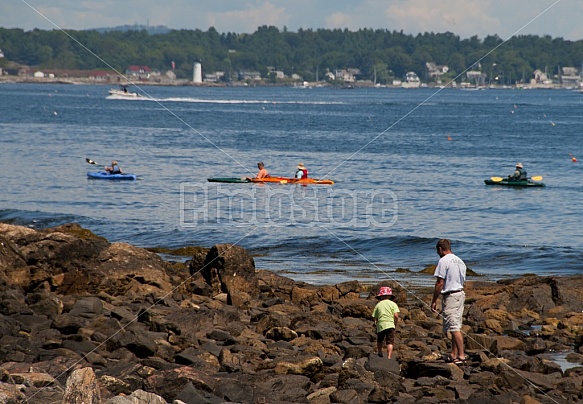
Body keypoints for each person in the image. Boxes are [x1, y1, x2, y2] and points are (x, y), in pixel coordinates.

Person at [431, 238, 467, 365]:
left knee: (454, 327)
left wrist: (434, 300)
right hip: (460, 294)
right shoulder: (460, 261)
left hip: (451, 295)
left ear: (440, 249)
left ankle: (461, 356)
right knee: (455, 324)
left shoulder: (443, 261)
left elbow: (440, 282)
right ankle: (453, 354)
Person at [372, 286, 400, 359]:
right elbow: (396, 315)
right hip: (390, 324)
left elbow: (375, 316)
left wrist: (376, 322)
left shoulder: (378, 305)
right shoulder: (393, 304)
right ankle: (389, 356)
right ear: (390, 296)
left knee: (380, 339)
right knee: (390, 341)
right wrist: (395, 322)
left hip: (381, 324)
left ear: (381, 297)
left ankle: (380, 352)